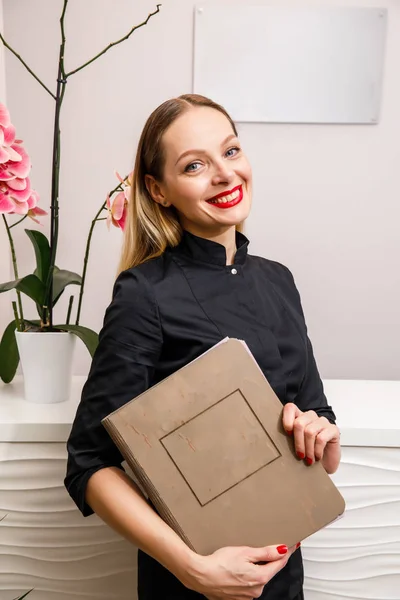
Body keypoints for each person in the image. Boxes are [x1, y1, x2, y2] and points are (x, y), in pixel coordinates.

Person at [64, 94, 341, 600]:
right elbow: (89, 463)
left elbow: (318, 428)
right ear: (159, 190)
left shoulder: (280, 281)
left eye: (231, 152)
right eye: (195, 165)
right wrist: (193, 569)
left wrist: (321, 433)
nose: (224, 175)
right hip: (190, 585)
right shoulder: (143, 294)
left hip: (283, 580)